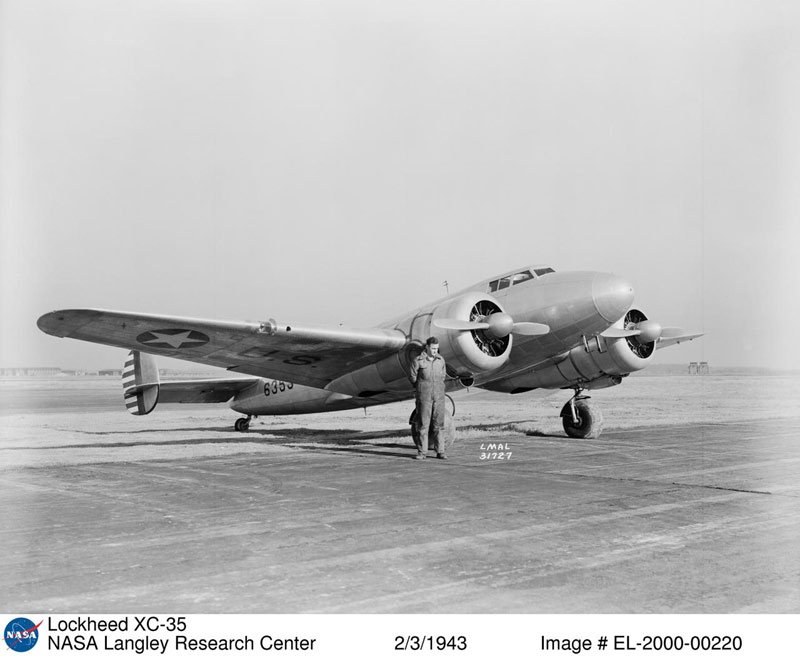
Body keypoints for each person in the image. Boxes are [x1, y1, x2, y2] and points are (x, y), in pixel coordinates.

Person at [408, 336, 448, 460]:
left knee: (439, 424)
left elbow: (443, 376)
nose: (435, 350)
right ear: (427, 347)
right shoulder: (418, 360)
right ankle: (422, 452)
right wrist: (421, 387)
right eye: (433, 348)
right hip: (424, 396)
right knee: (423, 424)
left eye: (437, 348)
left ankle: (440, 451)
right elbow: (412, 376)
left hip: (439, 396)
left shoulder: (441, 360)